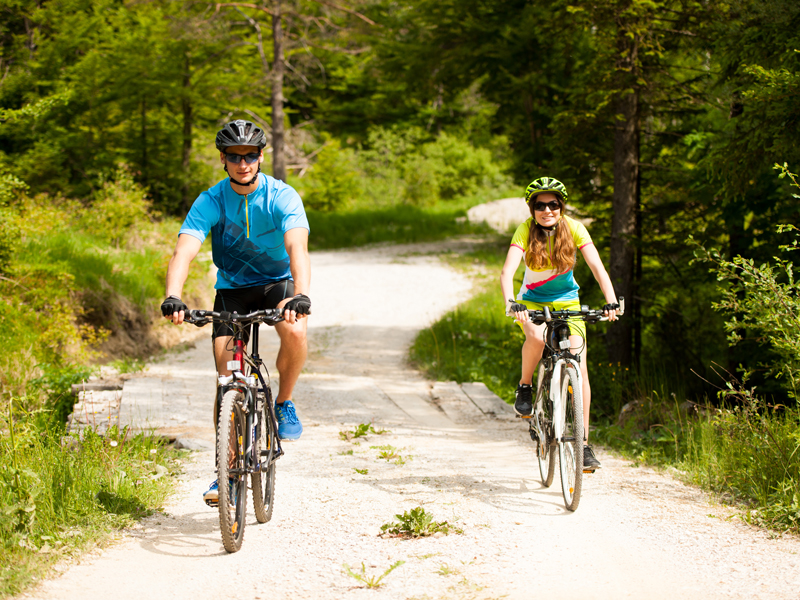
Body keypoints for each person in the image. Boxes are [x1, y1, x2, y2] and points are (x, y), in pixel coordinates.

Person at [161, 119, 311, 503]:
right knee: (227, 378)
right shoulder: (211, 200)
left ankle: (284, 402)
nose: (242, 163)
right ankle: (225, 474)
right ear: (223, 159)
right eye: (234, 156)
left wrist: (301, 294)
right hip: (232, 291)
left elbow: (297, 247)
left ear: (260, 157)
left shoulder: (281, 196)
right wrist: (173, 296)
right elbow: (184, 250)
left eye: (250, 155)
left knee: (296, 330)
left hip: (276, 284)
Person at [500, 176, 618, 470]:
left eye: (553, 204)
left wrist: (611, 301)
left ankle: (583, 445)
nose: (547, 210)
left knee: (579, 364)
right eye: (540, 205)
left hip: (567, 302)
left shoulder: (574, 228)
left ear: (561, 206)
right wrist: (511, 302)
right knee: (536, 337)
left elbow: (597, 267)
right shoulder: (525, 230)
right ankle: (525, 386)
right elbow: (507, 272)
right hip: (531, 301)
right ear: (532, 209)